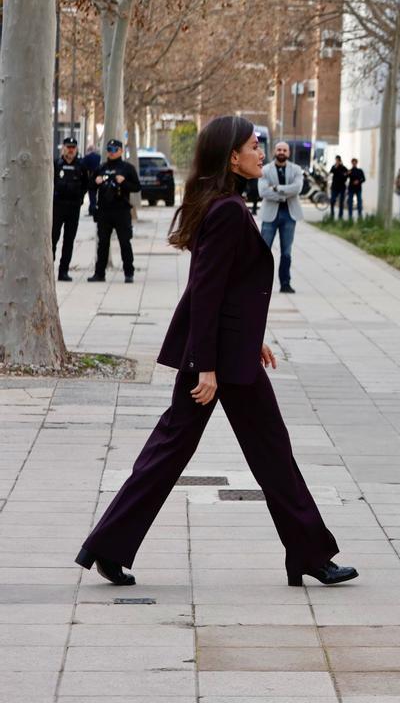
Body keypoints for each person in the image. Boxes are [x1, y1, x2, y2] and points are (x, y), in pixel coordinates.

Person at [74, 116, 356, 588]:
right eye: (253, 146)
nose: (261, 153)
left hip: (228, 353)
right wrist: (205, 366)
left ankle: (305, 553)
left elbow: (227, 289)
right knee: (216, 451)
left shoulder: (225, 203)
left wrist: (251, 338)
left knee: (248, 452)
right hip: (215, 362)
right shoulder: (226, 209)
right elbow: (205, 291)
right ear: (231, 156)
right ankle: (307, 553)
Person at [87, 139, 140, 284]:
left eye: (115, 149)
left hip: (121, 211)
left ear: (121, 151)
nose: (111, 152)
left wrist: (124, 182)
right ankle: (99, 273)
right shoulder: (101, 167)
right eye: (109, 149)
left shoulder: (127, 168)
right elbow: (90, 185)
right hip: (104, 211)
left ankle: (129, 273)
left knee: (125, 242)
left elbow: (137, 187)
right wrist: (96, 181)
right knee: (103, 243)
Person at [259, 141, 303, 294]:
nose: (281, 152)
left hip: (289, 215)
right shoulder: (265, 169)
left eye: (284, 150)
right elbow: (263, 191)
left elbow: (297, 189)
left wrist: (277, 188)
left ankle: (285, 283)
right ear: (274, 151)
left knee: (286, 252)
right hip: (270, 215)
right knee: (264, 251)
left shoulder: (296, 170)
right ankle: (260, 284)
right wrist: (285, 194)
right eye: (279, 149)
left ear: (288, 153)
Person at [52, 136, 87, 282]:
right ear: (63, 148)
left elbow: (86, 185)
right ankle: (49, 267)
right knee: (52, 238)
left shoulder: (81, 166)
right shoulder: (56, 164)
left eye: (73, 147)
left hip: (73, 207)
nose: (71, 150)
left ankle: (63, 271)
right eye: (68, 147)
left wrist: (80, 198)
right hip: (57, 207)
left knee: (69, 240)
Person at [328, 155, 348, 221]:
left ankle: (340, 216)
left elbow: (346, 175)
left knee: (341, 202)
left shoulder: (343, 168)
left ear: (340, 160)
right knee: (332, 200)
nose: (336, 161)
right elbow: (331, 172)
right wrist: (335, 167)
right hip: (334, 187)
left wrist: (344, 175)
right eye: (336, 160)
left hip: (342, 187)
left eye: (337, 160)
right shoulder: (334, 167)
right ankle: (332, 214)